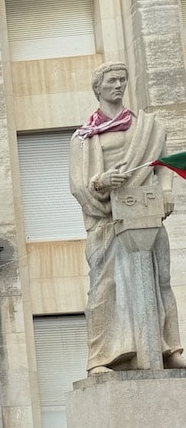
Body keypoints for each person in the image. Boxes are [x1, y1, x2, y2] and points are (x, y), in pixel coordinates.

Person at [69, 61, 185, 373]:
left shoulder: (145, 127)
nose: (118, 85)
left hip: (145, 211)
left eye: (123, 79)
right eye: (112, 81)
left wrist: (167, 191)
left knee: (160, 280)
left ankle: (168, 348)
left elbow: (162, 165)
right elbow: (79, 184)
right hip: (108, 219)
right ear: (98, 88)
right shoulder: (84, 137)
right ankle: (101, 359)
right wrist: (101, 182)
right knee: (105, 286)